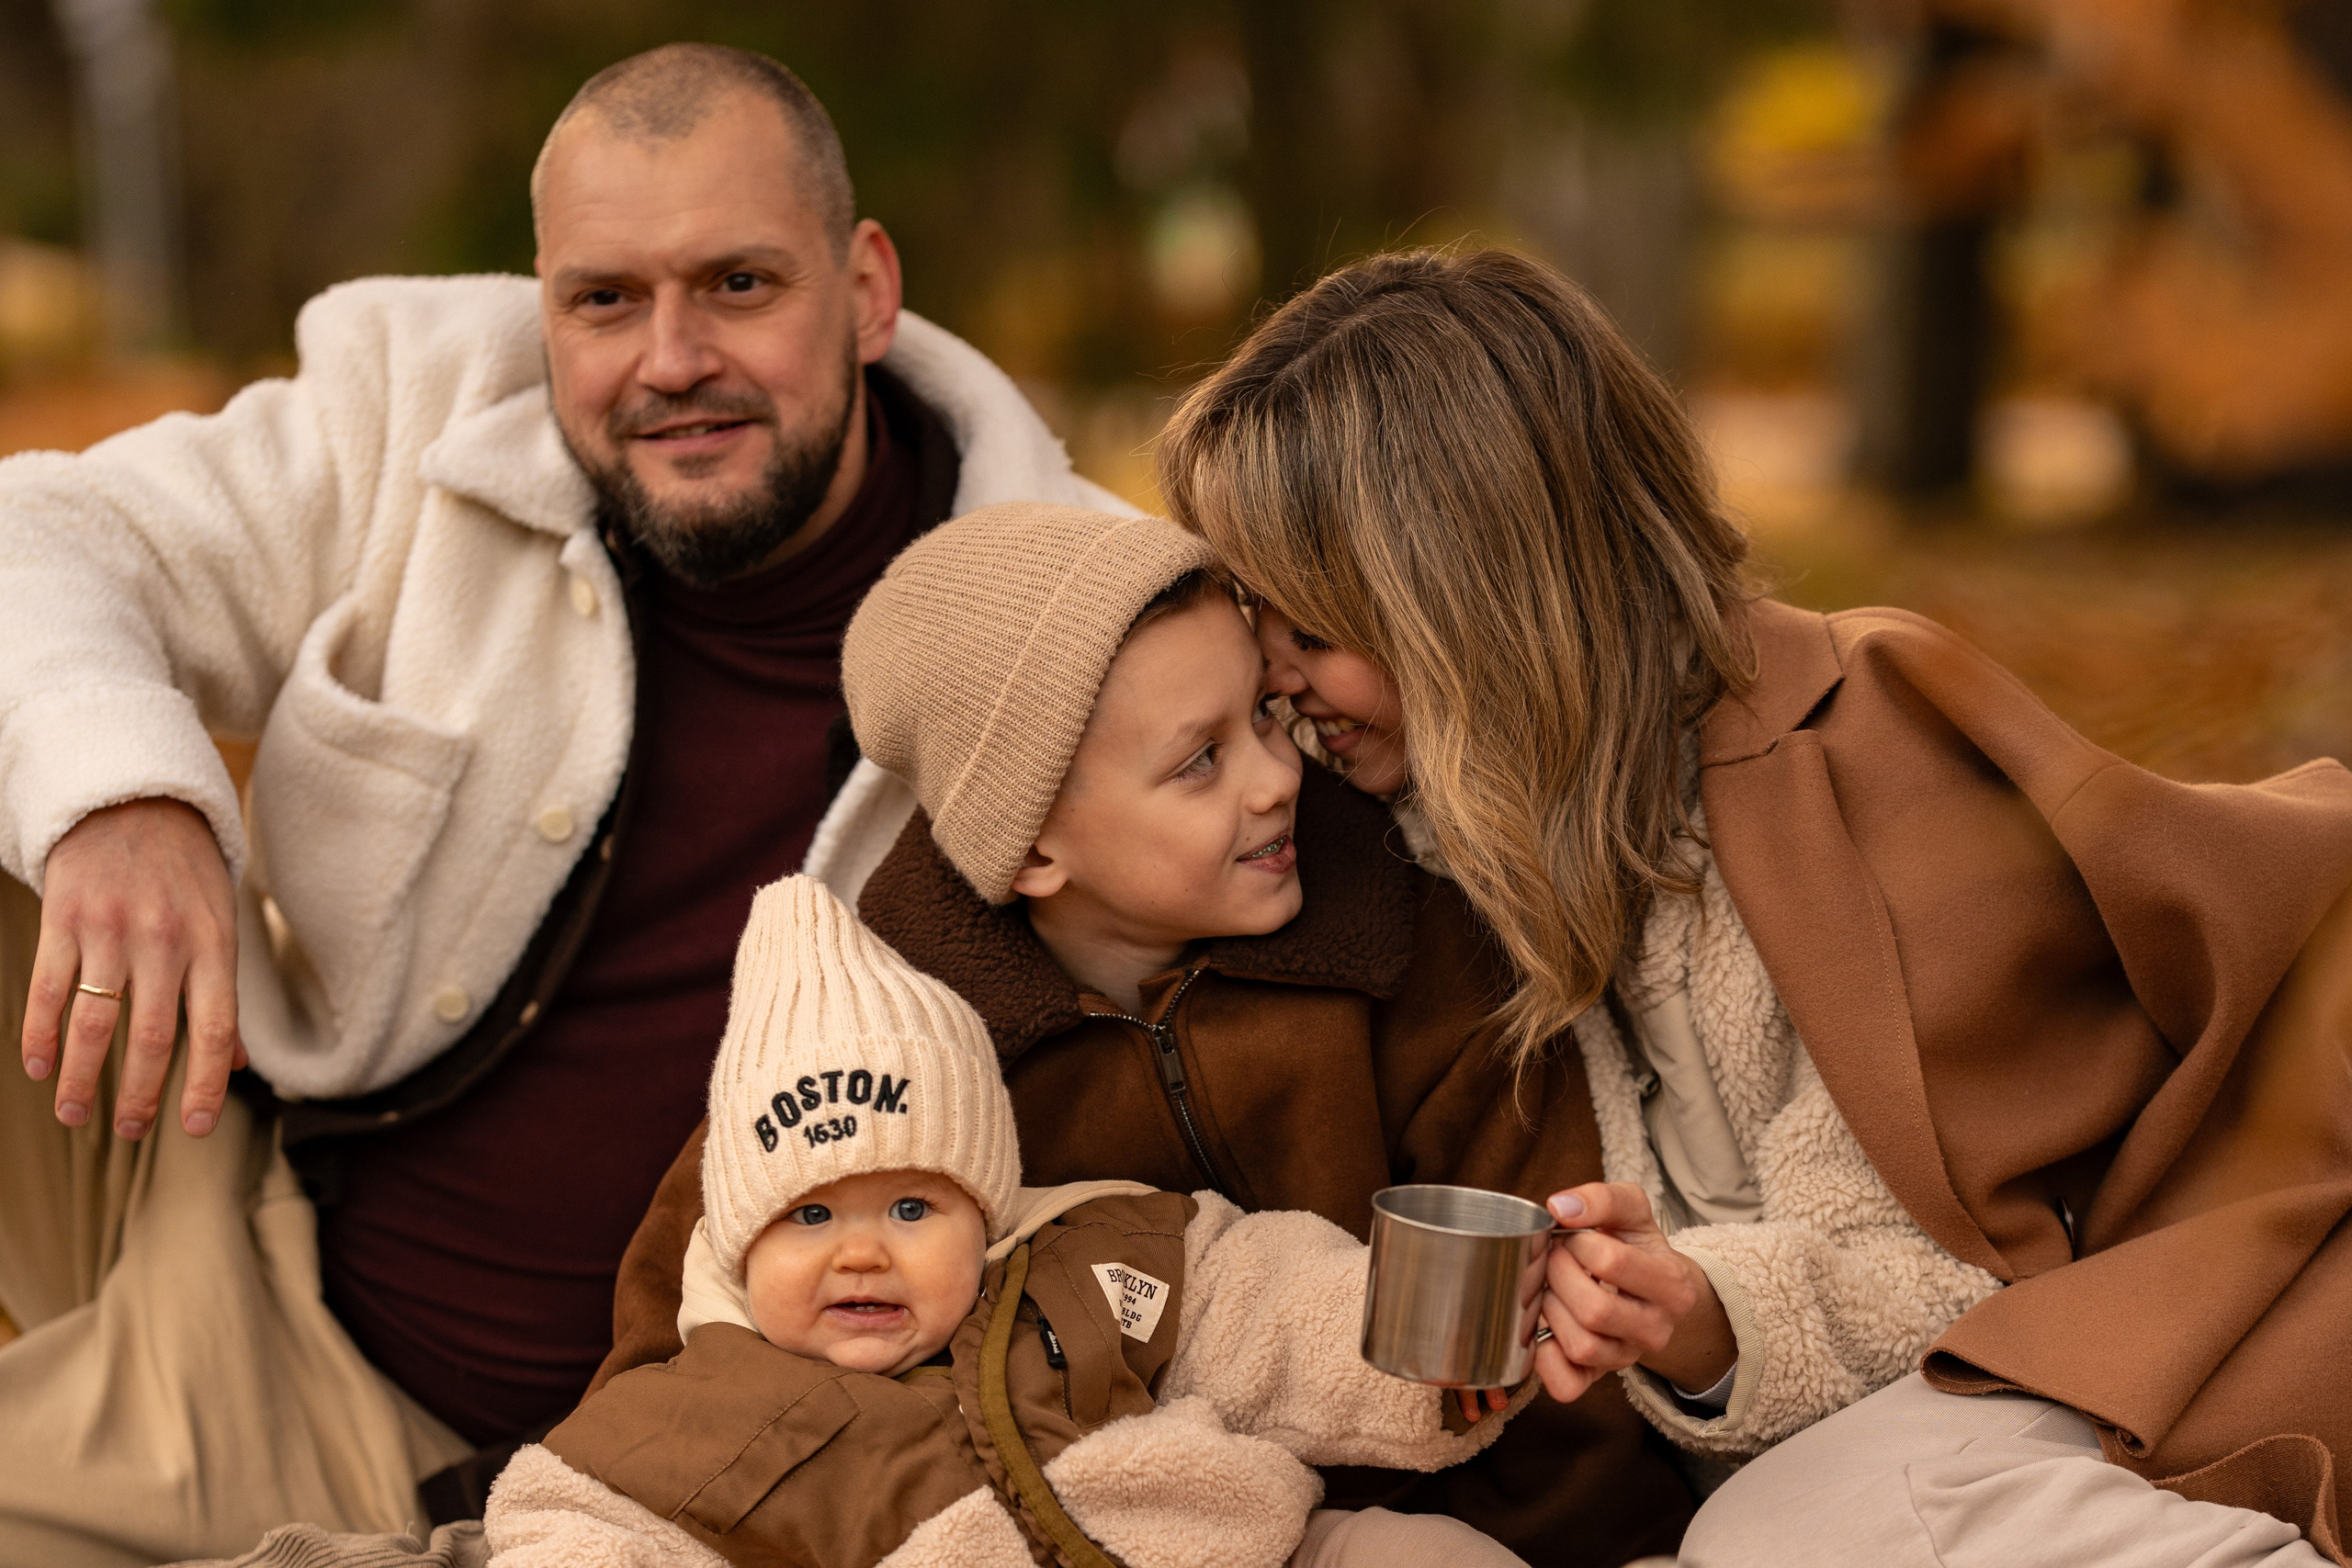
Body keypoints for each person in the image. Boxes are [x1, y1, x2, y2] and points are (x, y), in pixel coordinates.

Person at [0, 41, 1126, 1566]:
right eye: (605, 299)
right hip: (263, 1284)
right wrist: (123, 793)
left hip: (680, 1484)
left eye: (738, 285)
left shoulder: (1074, 609)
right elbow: (41, 531)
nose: (668, 359)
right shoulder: (411, 415)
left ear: (865, 289)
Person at [1151, 244, 2352, 1566]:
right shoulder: (1451, 829)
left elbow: (1967, 1277)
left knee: (1797, 1527)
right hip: (1914, 1430)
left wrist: (1707, 1309)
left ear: (1467, 610)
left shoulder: (1847, 764)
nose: (1277, 682)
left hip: (2170, 1328)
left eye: (1311, 632)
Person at [597, 501, 1701, 1568]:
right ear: (1031, 850)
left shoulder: (1414, 955)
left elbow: (1558, 1338)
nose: (1279, 779)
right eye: (1198, 761)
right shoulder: (887, 1040)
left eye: (1265, 716)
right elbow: (682, 1327)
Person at [484, 874, 1533, 1568]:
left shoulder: (1091, 1259)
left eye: (910, 1206)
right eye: (808, 1215)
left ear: (981, 1207)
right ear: (739, 1240)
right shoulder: (688, 1416)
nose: (862, 1251)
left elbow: (1271, 1313)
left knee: (1414, 1555)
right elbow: (571, 1528)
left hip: (1224, 1539)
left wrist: (1455, 1328)